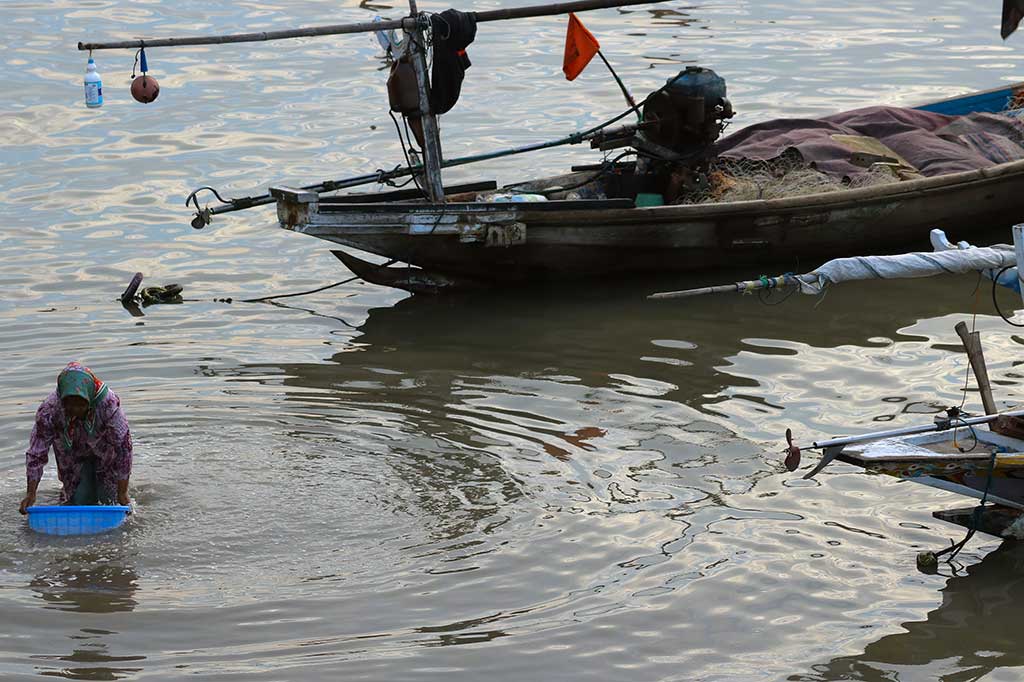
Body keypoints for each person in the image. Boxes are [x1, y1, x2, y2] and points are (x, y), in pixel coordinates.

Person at [18, 362, 133, 514]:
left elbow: (124, 447)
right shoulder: (50, 410)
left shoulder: (108, 404)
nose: (75, 410)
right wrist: (31, 493)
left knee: (108, 501)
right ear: (62, 400)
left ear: (89, 398)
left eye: (81, 404)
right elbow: (37, 452)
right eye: (69, 405)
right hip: (71, 450)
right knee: (78, 500)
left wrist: (123, 492)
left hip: (105, 448)